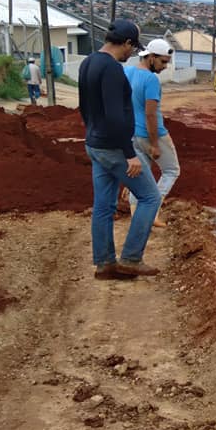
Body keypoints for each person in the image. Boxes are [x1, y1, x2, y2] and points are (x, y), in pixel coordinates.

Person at [78, 18, 162, 280]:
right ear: (125, 43)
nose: (132, 53)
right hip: (114, 147)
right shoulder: (113, 70)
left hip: (95, 143)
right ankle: (131, 259)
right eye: (132, 47)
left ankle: (104, 264)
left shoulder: (88, 62)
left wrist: (93, 133)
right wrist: (129, 153)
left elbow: (84, 108)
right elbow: (116, 115)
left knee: (103, 205)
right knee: (150, 197)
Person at [125, 38, 180, 228]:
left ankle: (135, 214)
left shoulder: (128, 71)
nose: (165, 66)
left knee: (141, 173)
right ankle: (152, 213)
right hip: (150, 134)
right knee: (171, 170)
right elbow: (150, 114)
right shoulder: (151, 80)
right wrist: (155, 144)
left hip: (133, 133)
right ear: (151, 57)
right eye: (163, 62)